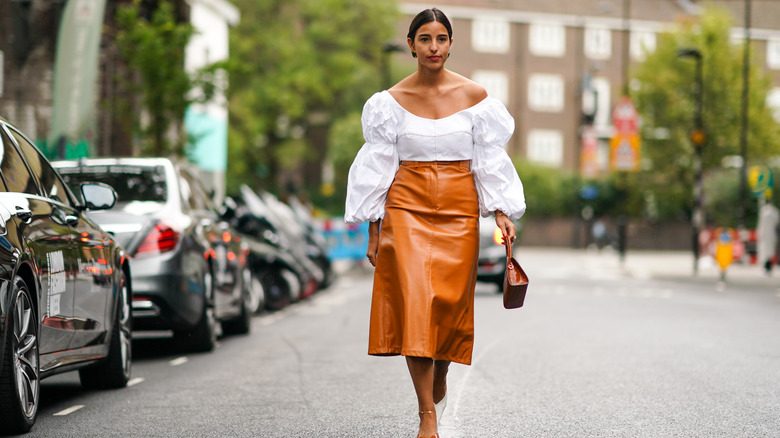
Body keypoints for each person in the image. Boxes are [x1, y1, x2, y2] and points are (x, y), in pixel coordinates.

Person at [344, 8, 526, 438]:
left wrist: (501, 210)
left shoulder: (476, 98)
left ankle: (439, 371)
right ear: (410, 45)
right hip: (406, 206)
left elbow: (488, 161)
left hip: (458, 209)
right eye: (424, 39)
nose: (433, 47)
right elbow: (378, 167)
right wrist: (374, 227)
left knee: (447, 305)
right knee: (415, 303)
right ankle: (427, 413)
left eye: (441, 39)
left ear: (450, 44)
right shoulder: (388, 104)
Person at [756, 200, 779, 275]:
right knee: (769, 252)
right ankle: (768, 267)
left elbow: (762, 225)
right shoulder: (775, 212)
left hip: (766, 235)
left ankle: (767, 267)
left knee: (766, 252)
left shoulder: (764, 212)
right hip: (772, 235)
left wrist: (759, 234)